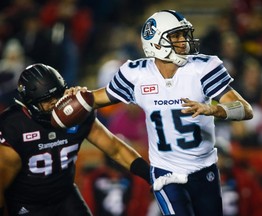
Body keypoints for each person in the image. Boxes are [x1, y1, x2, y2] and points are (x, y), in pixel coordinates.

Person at [90, 10, 254, 216]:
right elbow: (94, 99)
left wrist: (214, 109)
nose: (183, 41)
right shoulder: (135, 74)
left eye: (184, 35)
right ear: (155, 42)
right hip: (165, 172)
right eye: (175, 36)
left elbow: (245, 110)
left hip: (204, 169)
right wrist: (77, 95)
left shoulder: (203, 68)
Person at [0, 63, 150, 216]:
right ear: (30, 104)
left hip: (65, 195)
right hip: (27, 203)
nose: (54, 103)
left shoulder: (76, 112)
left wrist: (150, 175)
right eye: (46, 100)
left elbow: (115, 149)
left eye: (57, 95)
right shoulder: (15, 126)